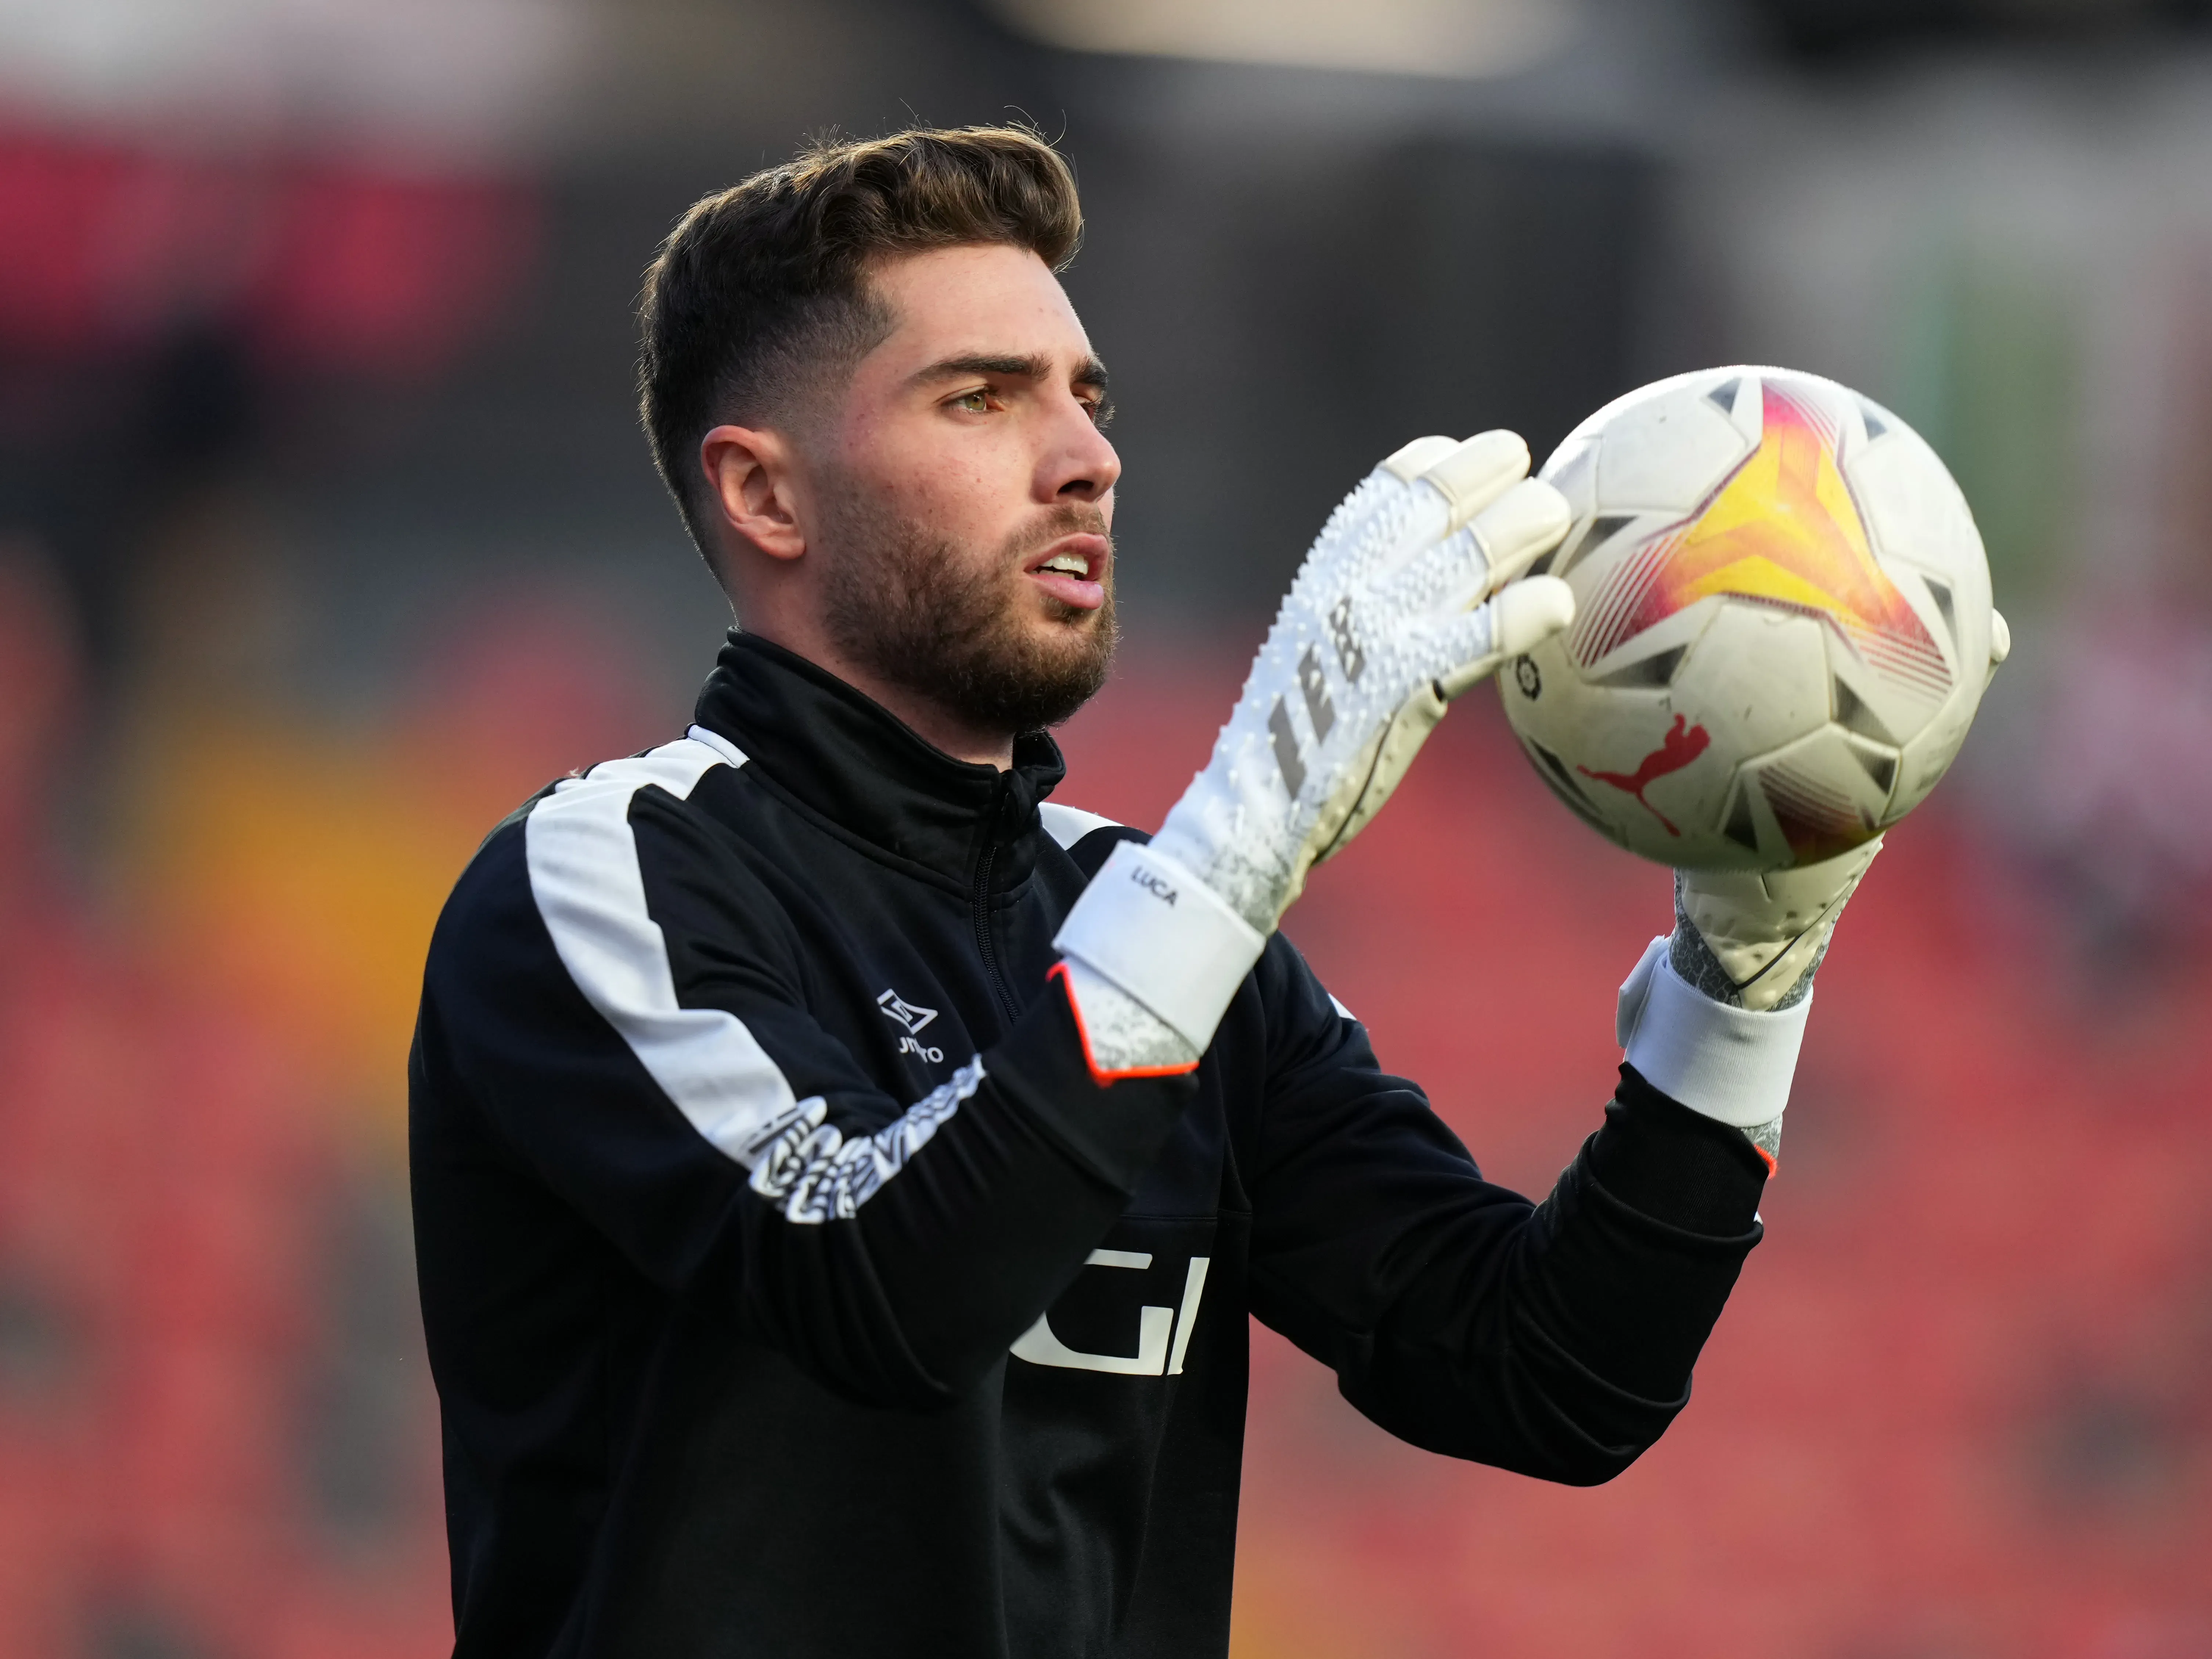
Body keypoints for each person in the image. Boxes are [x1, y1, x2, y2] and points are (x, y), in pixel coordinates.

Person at [410, 126, 1875, 1659]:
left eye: (1086, 398)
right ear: (766, 497)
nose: (1087, 456)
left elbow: (1547, 1377)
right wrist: (1241, 833)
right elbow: (880, 1280)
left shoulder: (1164, 923)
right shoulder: (603, 875)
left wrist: (1738, 983)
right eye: (980, 396)